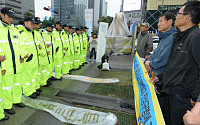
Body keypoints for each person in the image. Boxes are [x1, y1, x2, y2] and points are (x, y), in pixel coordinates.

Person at [150, 1, 200, 125]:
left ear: (187, 17)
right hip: (170, 92)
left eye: (179, 13)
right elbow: (174, 65)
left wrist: (195, 96)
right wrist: (160, 76)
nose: (176, 16)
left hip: (182, 97)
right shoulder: (178, 37)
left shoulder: (196, 37)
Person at [144, 12, 176, 111]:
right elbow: (156, 53)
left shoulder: (173, 38)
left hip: (162, 79)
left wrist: (151, 63)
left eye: (161, 21)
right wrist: (149, 60)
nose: (158, 24)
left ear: (170, 22)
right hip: (156, 77)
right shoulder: (164, 37)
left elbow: (164, 59)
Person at [0, 7, 29, 114]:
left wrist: (23, 55)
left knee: (17, 84)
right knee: (7, 87)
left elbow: (21, 45)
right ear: (2, 15)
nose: (11, 19)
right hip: (5, 65)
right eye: (9, 16)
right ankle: (7, 106)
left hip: (18, 63)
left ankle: (16, 100)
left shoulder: (15, 30)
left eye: (12, 17)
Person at [20, 17, 40, 99]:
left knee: (33, 77)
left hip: (34, 60)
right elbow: (20, 47)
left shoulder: (32, 33)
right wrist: (24, 55)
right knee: (27, 78)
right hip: (28, 60)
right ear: (25, 23)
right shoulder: (22, 34)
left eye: (33, 24)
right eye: (31, 24)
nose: (33, 26)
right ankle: (27, 92)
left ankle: (33, 89)